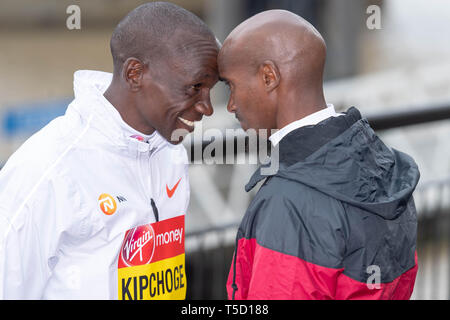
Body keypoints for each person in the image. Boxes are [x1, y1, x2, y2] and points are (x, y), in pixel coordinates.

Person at [0, 2, 219, 299]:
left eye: (211, 90)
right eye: (194, 87)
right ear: (134, 74)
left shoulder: (171, 151)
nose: (207, 107)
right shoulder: (48, 168)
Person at [218, 10, 419, 300]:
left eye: (231, 86)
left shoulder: (289, 204)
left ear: (268, 77)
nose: (231, 105)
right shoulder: (385, 165)